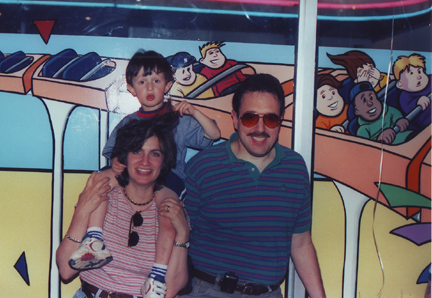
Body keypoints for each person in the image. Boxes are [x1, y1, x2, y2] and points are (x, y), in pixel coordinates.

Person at [68, 49, 221, 297]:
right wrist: (117, 162)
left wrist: (193, 111)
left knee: (167, 219)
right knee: (98, 181)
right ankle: (94, 240)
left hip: (169, 179)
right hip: (133, 175)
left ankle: (157, 276)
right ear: (131, 89)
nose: (150, 87)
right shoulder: (129, 121)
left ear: (168, 85)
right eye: (142, 82)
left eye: (157, 81)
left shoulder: (179, 119)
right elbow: (113, 153)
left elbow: (213, 136)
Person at [181, 74, 326, 298]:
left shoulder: (295, 168)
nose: (260, 128)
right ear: (235, 118)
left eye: (270, 119)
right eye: (250, 118)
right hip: (206, 291)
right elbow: (179, 236)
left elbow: (301, 243)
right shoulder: (203, 166)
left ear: (281, 120)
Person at [56, 118, 190, 298]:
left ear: (164, 160)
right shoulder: (102, 194)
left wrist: (183, 234)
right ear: (124, 156)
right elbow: (66, 269)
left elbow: (171, 289)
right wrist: (81, 211)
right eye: (137, 151)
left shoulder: (170, 209)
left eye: (155, 153)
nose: (145, 161)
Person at [348, 81, 412, 144]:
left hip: (408, 138)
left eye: (371, 97)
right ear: (357, 111)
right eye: (364, 100)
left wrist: (401, 122)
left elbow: (398, 118)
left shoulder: (389, 110)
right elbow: (366, 148)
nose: (370, 103)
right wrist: (379, 140)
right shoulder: (363, 130)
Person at [393, 53, 431, 131]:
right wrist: (418, 102)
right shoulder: (405, 97)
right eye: (412, 73)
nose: (418, 76)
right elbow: (409, 109)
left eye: (420, 71)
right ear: (400, 84)